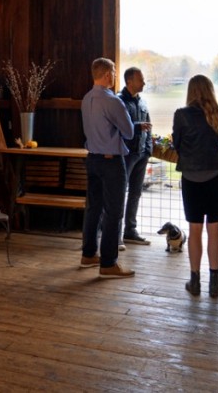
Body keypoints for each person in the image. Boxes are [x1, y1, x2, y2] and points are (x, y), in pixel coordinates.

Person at [172, 75, 218, 296]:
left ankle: (195, 281)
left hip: (191, 177)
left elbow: (177, 144)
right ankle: (214, 283)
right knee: (214, 230)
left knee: (195, 230)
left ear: (191, 91)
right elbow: (216, 142)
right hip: (217, 176)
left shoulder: (181, 115)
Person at [80, 58, 136, 279]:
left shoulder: (86, 99)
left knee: (93, 208)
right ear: (107, 75)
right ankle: (109, 263)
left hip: (92, 158)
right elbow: (129, 132)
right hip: (111, 161)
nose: (115, 76)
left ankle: (88, 254)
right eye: (113, 72)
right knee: (114, 212)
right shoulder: (112, 101)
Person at [118, 67, 153, 248]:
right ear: (129, 81)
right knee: (119, 194)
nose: (144, 83)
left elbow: (149, 127)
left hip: (141, 154)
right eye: (140, 79)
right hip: (125, 155)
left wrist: (148, 150)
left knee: (135, 194)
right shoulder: (119, 101)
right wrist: (137, 126)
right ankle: (115, 235)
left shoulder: (142, 102)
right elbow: (117, 128)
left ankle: (130, 231)